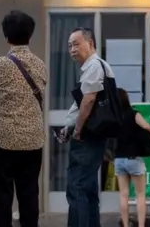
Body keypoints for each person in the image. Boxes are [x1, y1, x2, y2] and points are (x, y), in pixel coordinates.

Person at [0, 10, 47, 227]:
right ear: (30, 36)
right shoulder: (39, 64)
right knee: (29, 194)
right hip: (32, 140)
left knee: (2, 195)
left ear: (6, 37)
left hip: (2, 141)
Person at [58, 27, 113, 227]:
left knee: (77, 188)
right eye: (69, 45)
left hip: (88, 136)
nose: (72, 49)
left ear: (90, 44)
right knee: (88, 189)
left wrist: (78, 129)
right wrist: (68, 126)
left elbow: (88, 101)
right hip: (92, 135)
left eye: (76, 44)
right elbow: (81, 101)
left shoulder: (94, 66)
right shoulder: (97, 67)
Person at [114, 88, 150, 227]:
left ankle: (125, 224)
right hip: (133, 158)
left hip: (118, 158)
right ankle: (141, 225)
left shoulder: (114, 116)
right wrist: (148, 129)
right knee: (140, 194)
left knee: (123, 195)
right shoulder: (133, 113)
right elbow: (147, 127)